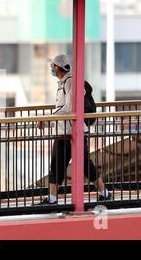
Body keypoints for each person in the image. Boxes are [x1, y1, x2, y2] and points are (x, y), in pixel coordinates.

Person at [37, 54, 111, 204]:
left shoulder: (70, 82)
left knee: (83, 164)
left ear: (57, 67)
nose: (51, 69)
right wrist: (49, 121)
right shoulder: (64, 83)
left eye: (53, 66)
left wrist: (47, 119)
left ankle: (104, 192)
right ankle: (52, 198)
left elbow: (69, 107)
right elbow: (62, 109)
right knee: (57, 164)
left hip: (73, 133)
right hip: (64, 132)